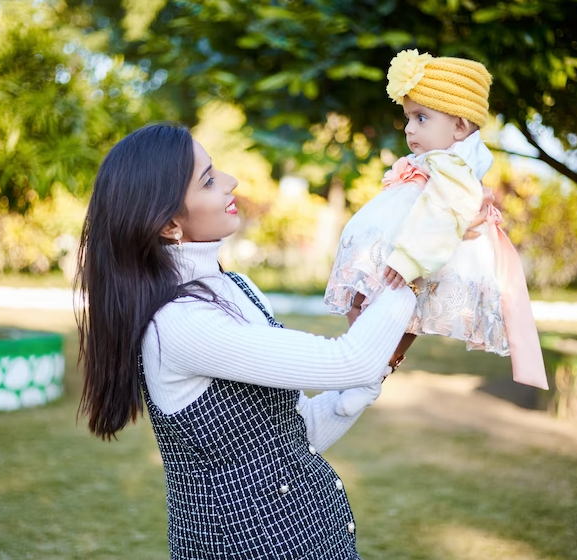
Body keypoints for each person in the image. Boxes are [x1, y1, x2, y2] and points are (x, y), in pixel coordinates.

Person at [75, 122, 421, 559]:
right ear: (168, 225)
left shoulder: (235, 287)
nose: (231, 182)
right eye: (208, 180)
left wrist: (386, 356)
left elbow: (292, 435)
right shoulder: (178, 325)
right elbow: (349, 360)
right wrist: (414, 262)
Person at [325, 49, 548, 391]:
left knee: (394, 307)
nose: (409, 129)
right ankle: (372, 360)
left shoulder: (454, 166)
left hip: (422, 253)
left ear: (459, 126)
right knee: (390, 309)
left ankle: (374, 362)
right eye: (408, 118)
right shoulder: (441, 160)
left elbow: (444, 211)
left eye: (421, 118)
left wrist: (409, 258)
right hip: (418, 250)